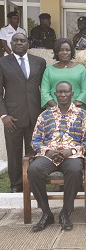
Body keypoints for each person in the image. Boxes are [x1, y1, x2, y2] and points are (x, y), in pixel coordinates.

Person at [28, 81, 86, 232]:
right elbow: (35, 141)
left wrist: (71, 151)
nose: (63, 95)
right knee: (33, 170)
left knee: (74, 170)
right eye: (60, 92)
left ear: (72, 94)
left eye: (66, 92)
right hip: (48, 155)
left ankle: (65, 212)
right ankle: (46, 213)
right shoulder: (45, 115)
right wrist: (48, 152)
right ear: (55, 94)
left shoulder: (82, 114)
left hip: (71, 155)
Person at [0, 33, 46, 193]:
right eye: (16, 41)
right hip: (12, 117)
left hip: (35, 116)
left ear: (28, 43)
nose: (19, 43)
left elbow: (44, 89)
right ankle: (16, 184)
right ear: (11, 44)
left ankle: (33, 182)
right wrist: (4, 115)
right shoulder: (3, 63)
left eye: (22, 40)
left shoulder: (39, 62)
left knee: (34, 150)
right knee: (14, 152)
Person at [41, 38, 86, 109]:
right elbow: (44, 92)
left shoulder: (81, 68)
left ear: (72, 52)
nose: (65, 52)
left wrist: (73, 107)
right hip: (53, 111)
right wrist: (57, 108)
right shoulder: (49, 70)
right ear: (57, 52)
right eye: (61, 50)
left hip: (77, 110)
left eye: (68, 50)